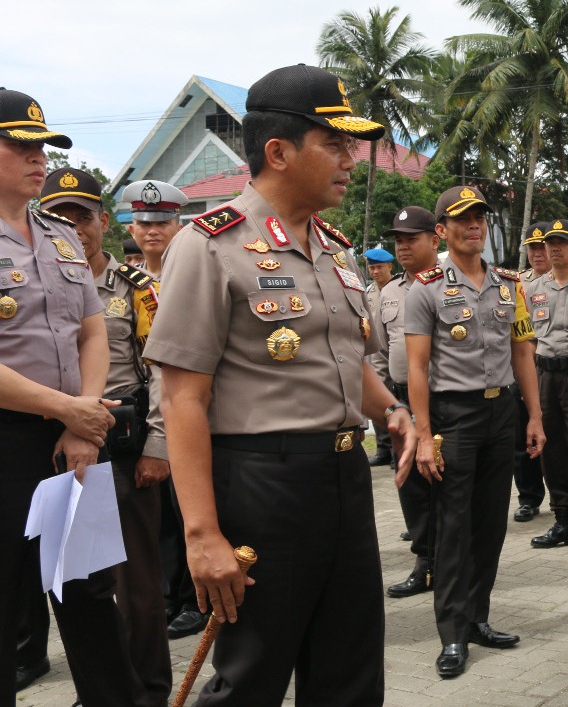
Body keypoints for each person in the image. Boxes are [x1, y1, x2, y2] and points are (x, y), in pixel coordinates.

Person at [142, 64, 416, 704]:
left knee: (349, 672)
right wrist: (202, 533)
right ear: (279, 152)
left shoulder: (335, 248)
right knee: (253, 675)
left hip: (345, 482)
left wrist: (391, 410)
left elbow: (348, 361)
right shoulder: (209, 246)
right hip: (263, 487)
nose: (352, 158)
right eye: (336, 142)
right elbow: (182, 396)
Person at [0, 88, 144, 706]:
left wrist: (84, 419)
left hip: (75, 438)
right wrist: (68, 411)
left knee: (85, 589)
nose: (39, 158)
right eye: (21, 145)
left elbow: (91, 329)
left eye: (43, 146)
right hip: (8, 438)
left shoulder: (59, 235)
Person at [32, 170, 173, 705]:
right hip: (54, 450)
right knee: (79, 584)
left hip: (121, 447)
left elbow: (163, 372)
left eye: (82, 216)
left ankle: (151, 690)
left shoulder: (137, 290)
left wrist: (159, 445)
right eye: (59, 216)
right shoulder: (33, 281)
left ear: (103, 221)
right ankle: (104, 688)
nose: (72, 226)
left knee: (136, 583)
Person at [403, 185, 545, 679]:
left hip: (500, 413)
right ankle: (452, 634)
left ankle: (478, 617)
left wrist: (535, 416)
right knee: (453, 527)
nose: (474, 227)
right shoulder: (424, 288)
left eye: (480, 219)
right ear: (442, 230)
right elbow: (417, 369)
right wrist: (423, 435)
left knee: (490, 523)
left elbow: (523, 353)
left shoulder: (510, 285)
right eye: (463, 220)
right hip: (452, 418)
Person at [118, 179, 205, 643]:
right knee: (161, 518)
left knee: (188, 506)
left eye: (164, 222)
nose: (154, 231)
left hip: (190, 407)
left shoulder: (191, 274)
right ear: (133, 226)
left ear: (179, 224)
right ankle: (170, 597)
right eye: (146, 223)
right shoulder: (126, 285)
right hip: (146, 413)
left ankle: (195, 598)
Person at [378, 206, 440, 598]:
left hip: (441, 401)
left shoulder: (447, 286)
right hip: (402, 400)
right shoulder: (387, 292)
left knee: (444, 482)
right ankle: (425, 560)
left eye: (411, 239)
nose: (403, 247)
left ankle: (452, 563)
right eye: (398, 240)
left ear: (435, 239)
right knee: (410, 485)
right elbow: (379, 352)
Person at [524, 220, 568, 556]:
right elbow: (527, 341)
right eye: (549, 243)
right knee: (549, 447)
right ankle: (562, 517)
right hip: (544, 375)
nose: (553, 249)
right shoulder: (534, 288)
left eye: (562, 243)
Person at [513, 222, 551, 523]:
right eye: (532, 247)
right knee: (522, 439)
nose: (537, 253)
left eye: (542, 247)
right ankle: (528, 497)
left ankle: (565, 500)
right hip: (524, 372)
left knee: (558, 438)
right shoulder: (516, 283)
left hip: (553, 370)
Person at [365, 245, 398, 467]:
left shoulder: (398, 288)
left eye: (379, 267)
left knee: (401, 402)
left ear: (389, 266)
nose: (375, 272)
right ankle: (383, 448)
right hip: (376, 353)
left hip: (397, 351)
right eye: (372, 268)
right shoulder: (368, 293)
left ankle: (399, 451)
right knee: (380, 403)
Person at [123, 179, 186, 276]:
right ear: (132, 231)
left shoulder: (195, 276)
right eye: (145, 224)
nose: (153, 231)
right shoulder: (126, 281)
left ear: (179, 230)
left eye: (162, 223)